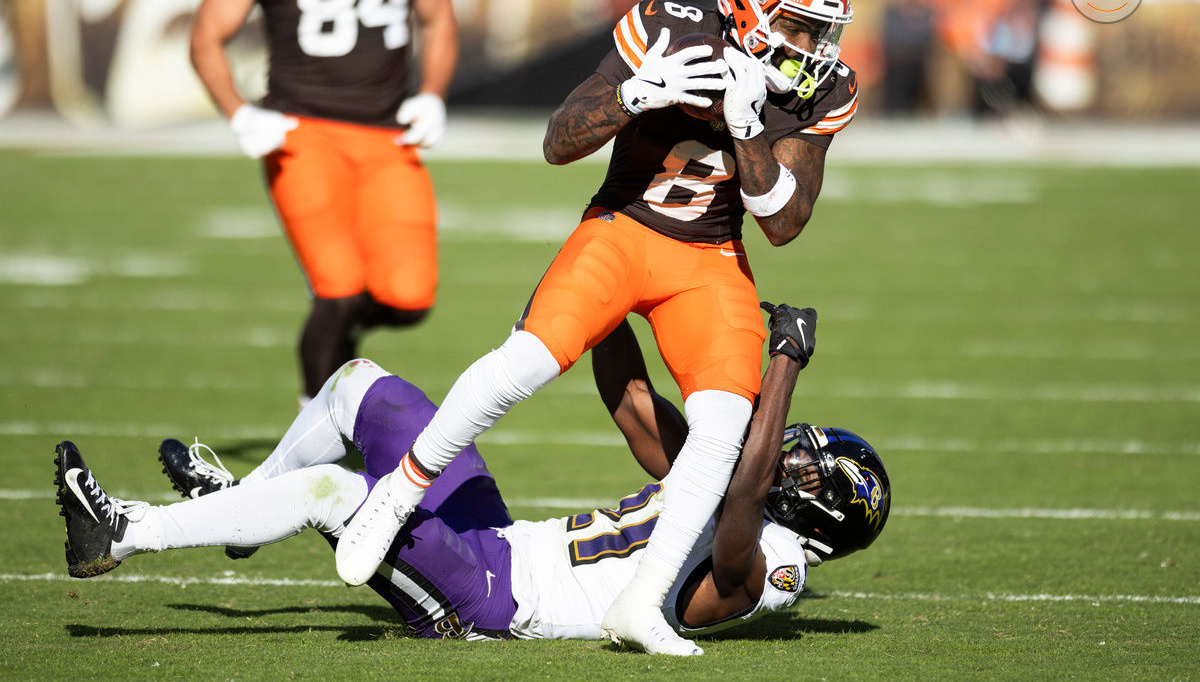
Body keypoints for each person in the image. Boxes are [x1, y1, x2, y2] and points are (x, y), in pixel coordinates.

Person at [333, 0, 859, 655]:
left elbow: (785, 223)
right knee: (526, 362)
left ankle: (642, 604)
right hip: (623, 229)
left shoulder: (824, 90)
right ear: (748, 4)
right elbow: (558, 141)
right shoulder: (667, 30)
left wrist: (745, 131)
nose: (814, 46)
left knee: (719, 428)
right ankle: (397, 494)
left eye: (820, 29)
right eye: (801, 23)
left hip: (709, 256)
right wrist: (639, 96)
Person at [53, 304, 891, 649]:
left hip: (492, 599)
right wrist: (626, 289)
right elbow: (633, 404)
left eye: (808, 469)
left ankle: (124, 530)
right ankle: (238, 501)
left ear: (826, 520)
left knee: (340, 493)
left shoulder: (774, 566)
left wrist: (783, 364)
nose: (788, 458)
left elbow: (743, 499)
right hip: (498, 542)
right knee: (362, 388)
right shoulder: (723, 479)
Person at [189, 0, 458, 404]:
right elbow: (207, 35)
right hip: (301, 132)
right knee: (338, 291)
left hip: (387, 132)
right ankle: (312, 429)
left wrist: (432, 95)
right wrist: (238, 112)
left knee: (409, 298)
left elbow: (438, 13)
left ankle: (343, 345)